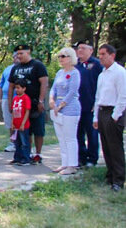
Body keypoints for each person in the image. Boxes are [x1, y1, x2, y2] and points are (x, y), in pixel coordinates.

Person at [93, 44, 126, 192]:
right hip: (102, 111)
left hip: (114, 112)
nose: (100, 57)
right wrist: (95, 116)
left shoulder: (119, 72)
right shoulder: (102, 74)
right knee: (106, 146)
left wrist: (115, 115)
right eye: (99, 54)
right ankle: (110, 175)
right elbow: (98, 96)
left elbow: (123, 95)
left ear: (112, 55)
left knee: (115, 147)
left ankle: (119, 180)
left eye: (103, 54)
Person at [8, 44, 49, 165]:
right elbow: (11, 87)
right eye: (17, 54)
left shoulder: (37, 65)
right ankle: (26, 154)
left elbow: (44, 83)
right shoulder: (15, 68)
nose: (19, 56)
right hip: (20, 106)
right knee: (25, 131)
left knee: (38, 130)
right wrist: (10, 103)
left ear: (28, 52)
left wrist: (41, 101)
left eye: (22, 53)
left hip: (35, 104)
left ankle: (38, 154)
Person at [49, 47, 81, 175]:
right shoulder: (59, 73)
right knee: (61, 137)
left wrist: (61, 105)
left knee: (70, 137)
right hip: (57, 108)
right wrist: (51, 99)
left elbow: (72, 91)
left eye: (64, 56)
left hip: (70, 107)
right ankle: (64, 163)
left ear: (70, 58)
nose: (61, 59)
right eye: (60, 56)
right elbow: (53, 88)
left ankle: (72, 165)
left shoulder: (74, 73)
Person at [74, 39, 102, 168]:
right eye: (79, 48)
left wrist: (97, 103)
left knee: (92, 133)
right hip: (76, 106)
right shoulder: (75, 65)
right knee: (78, 133)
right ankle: (81, 157)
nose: (80, 51)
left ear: (91, 50)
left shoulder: (96, 64)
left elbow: (101, 85)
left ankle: (92, 158)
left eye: (83, 48)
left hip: (90, 105)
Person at [0, 52, 20, 152]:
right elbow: (1, 85)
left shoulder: (23, 68)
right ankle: (12, 142)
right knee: (9, 122)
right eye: (13, 56)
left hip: (19, 98)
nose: (15, 58)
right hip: (6, 98)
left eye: (17, 56)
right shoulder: (7, 69)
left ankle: (20, 143)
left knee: (18, 121)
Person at [10, 78, 31, 166]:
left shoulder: (26, 98)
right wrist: (12, 123)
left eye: (18, 88)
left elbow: (27, 111)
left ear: (24, 88)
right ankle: (17, 158)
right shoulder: (15, 98)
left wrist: (23, 123)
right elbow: (13, 111)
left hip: (23, 125)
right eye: (16, 87)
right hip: (16, 124)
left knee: (24, 143)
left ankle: (26, 159)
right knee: (17, 142)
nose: (16, 89)